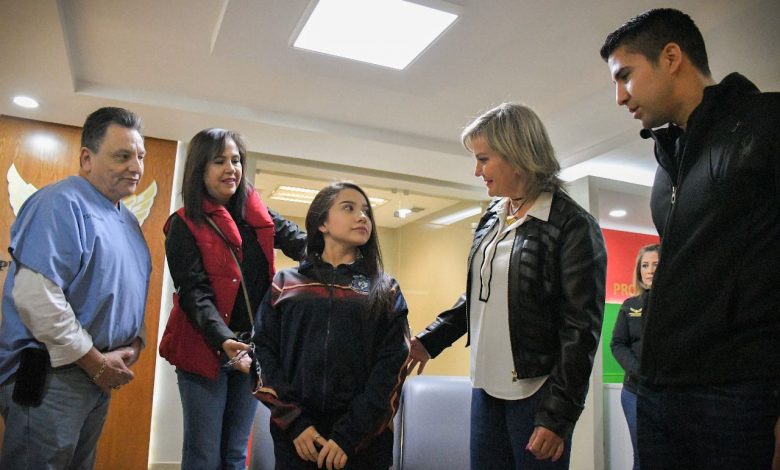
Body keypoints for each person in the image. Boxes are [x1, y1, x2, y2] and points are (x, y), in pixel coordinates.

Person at [600, 8, 780, 470]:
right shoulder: (667, 163)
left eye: (625, 76)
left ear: (671, 57)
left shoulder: (766, 123)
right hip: (659, 393)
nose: (619, 97)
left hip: (736, 395)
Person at [406, 103, 607, 469]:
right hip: (486, 387)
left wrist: (558, 416)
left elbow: (581, 329)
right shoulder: (493, 217)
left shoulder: (572, 225)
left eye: (483, 159)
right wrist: (429, 341)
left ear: (517, 156)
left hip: (537, 393)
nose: (477, 171)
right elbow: (480, 294)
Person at [0, 107, 151, 469]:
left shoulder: (128, 221)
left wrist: (133, 345)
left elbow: (127, 291)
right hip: (53, 376)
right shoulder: (60, 203)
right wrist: (96, 362)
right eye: (122, 156)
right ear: (87, 158)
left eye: (140, 156)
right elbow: (36, 298)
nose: (136, 167)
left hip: (98, 377)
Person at [158, 128, 306, 469]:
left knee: (236, 453)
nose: (231, 169)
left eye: (236, 160)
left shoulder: (258, 214)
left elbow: (299, 241)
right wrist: (223, 339)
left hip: (251, 350)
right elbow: (194, 292)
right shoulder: (183, 224)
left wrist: (334, 252)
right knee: (204, 455)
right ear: (199, 168)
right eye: (219, 161)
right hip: (204, 347)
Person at [252, 182, 410, 470]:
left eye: (366, 211)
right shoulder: (285, 284)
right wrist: (294, 422)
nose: (362, 217)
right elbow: (262, 352)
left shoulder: (386, 289)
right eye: (349, 208)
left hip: (363, 443)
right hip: (298, 440)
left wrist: (350, 435)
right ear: (322, 223)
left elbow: (392, 368)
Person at [610, 244, 659, 470]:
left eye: (655, 264)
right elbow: (617, 344)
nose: (650, 270)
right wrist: (640, 372)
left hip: (666, 392)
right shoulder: (630, 306)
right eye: (645, 265)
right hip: (634, 392)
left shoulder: (674, 305)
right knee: (642, 455)